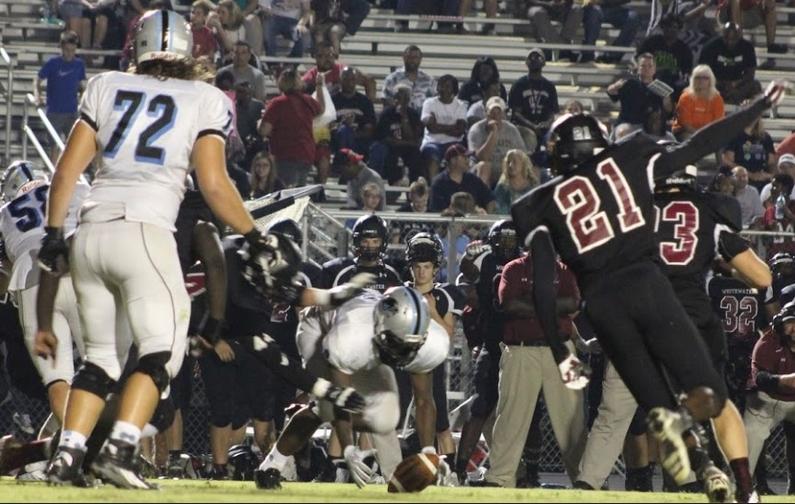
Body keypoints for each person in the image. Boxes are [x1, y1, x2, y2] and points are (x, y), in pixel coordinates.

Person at [37, 10, 281, 489]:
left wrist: (52, 233)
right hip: (145, 230)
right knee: (161, 352)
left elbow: (65, 172)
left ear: (137, 46)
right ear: (190, 49)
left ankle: (67, 455)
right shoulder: (206, 98)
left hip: (90, 231)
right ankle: (121, 449)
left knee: (102, 360)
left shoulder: (106, 85)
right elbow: (212, 183)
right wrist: (255, 235)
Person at [511, 83, 786, 501]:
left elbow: (542, 286)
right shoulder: (630, 156)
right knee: (707, 392)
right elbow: (700, 143)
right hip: (647, 285)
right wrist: (757, 107)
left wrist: (561, 351)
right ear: (600, 142)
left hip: (602, 303)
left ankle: (701, 463)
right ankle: (732, 479)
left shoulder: (534, 204)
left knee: (655, 404)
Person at [253, 286, 450, 489]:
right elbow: (341, 399)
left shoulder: (431, 343)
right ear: (381, 326)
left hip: (366, 341)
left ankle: (394, 477)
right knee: (326, 408)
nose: (404, 353)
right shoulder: (350, 337)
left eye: (411, 347)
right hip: (319, 330)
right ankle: (271, 465)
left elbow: (424, 400)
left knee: (386, 416)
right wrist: (348, 449)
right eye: (397, 343)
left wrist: (429, 453)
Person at [484, 248, 584, 488]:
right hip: (520, 349)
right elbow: (510, 305)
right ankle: (499, 478)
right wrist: (551, 305)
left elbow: (573, 303)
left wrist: (532, 304)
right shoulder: (513, 268)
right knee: (510, 418)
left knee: (575, 422)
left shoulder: (567, 270)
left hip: (564, 349)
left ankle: (586, 480)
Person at [0, 162, 88, 428]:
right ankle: (122, 447)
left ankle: (76, 448)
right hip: (79, 267)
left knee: (57, 378)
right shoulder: (77, 188)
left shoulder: (5, 213)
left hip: (31, 277)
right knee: (104, 368)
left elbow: (5, 269)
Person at [453, 220, 521, 483]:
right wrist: (466, 258)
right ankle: (459, 468)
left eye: (510, 240)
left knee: (524, 413)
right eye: (501, 240)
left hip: (520, 343)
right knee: (481, 405)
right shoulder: (485, 260)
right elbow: (467, 271)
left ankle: (525, 471)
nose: (506, 246)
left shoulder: (526, 263)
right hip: (494, 343)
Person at [745, 303, 795, 479]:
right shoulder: (768, 341)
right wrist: (783, 381)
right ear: (781, 323)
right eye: (791, 322)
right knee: (751, 433)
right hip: (769, 398)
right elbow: (760, 378)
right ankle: (745, 486)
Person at [258, 68, 325, 188]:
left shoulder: (277, 103)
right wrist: (319, 86)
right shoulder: (307, 100)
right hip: (306, 154)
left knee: (286, 193)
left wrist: (259, 123)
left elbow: (264, 130)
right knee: (299, 192)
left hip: (285, 155)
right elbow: (321, 109)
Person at [34, 30, 87, 161]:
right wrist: (37, 95)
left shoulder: (79, 64)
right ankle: (53, 173)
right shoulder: (53, 63)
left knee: (73, 145)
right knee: (54, 145)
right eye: (67, 50)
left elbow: (81, 85)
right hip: (55, 111)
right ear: (62, 48)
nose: (70, 54)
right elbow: (37, 79)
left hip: (72, 111)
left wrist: (83, 99)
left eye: (73, 50)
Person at [321, 214, 403, 292]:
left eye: (375, 242)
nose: (370, 246)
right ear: (357, 242)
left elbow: (397, 303)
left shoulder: (391, 274)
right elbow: (326, 303)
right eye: (365, 241)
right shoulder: (340, 271)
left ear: (383, 243)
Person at [369, 84, 423, 185]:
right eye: (397, 97)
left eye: (403, 98)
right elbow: (384, 138)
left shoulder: (413, 114)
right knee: (382, 152)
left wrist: (404, 118)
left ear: (408, 100)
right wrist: (406, 142)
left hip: (407, 148)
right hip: (390, 147)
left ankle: (413, 188)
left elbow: (414, 138)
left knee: (416, 156)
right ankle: (387, 185)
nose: (399, 101)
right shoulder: (387, 114)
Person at [468, 96, 527, 187]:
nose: (495, 116)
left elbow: (523, 155)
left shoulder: (511, 129)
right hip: (481, 170)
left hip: (506, 169)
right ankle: (485, 200)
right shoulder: (476, 129)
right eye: (492, 113)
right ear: (486, 113)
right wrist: (493, 133)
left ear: (503, 114)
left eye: (499, 113)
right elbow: (482, 157)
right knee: (484, 166)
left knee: (532, 169)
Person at [606, 53, 673, 133]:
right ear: (638, 68)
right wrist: (615, 86)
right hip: (628, 125)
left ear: (654, 69)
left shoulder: (661, 89)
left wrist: (667, 100)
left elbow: (669, 111)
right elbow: (611, 92)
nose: (646, 69)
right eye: (643, 66)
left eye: (650, 66)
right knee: (624, 131)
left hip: (651, 127)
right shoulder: (629, 83)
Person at [508, 49, 558, 154]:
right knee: (530, 136)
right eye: (531, 57)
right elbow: (516, 113)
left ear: (544, 63)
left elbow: (552, 113)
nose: (534, 60)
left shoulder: (549, 86)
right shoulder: (519, 85)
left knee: (555, 139)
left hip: (543, 128)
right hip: (522, 126)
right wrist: (532, 126)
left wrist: (547, 123)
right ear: (526, 62)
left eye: (538, 57)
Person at [699, 22, 761, 105]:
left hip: (737, 85)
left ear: (739, 37)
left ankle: (751, 111)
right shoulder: (710, 47)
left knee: (755, 85)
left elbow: (750, 73)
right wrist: (719, 84)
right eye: (726, 38)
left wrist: (735, 84)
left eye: (734, 39)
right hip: (715, 85)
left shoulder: (747, 47)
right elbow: (703, 71)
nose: (730, 42)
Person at [420, 75, 468, 182]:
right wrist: (452, 127)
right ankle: (434, 188)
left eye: (447, 86)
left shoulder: (460, 106)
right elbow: (431, 128)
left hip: (454, 143)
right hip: (432, 142)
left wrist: (438, 126)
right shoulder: (429, 103)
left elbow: (459, 132)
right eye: (441, 86)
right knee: (433, 156)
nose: (443, 89)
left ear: (454, 90)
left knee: (459, 158)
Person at [429, 144, 495, 214]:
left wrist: (487, 216)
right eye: (464, 157)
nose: (468, 160)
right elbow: (437, 211)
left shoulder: (473, 179)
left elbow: (490, 199)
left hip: (474, 223)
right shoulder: (439, 183)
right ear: (453, 160)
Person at [636, 14, 693, 94]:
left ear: (679, 29)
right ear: (663, 28)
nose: (671, 30)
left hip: (673, 80)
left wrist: (686, 75)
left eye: (674, 27)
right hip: (652, 78)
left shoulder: (683, 48)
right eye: (668, 27)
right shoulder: (652, 42)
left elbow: (687, 69)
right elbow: (638, 58)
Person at [331, 67, 377, 161]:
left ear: (356, 81)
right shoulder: (332, 100)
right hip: (337, 140)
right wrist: (343, 124)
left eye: (352, 79)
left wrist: (351, 134)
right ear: (340, 80)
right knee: (344, 130)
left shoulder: (365, 102)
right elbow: (328, 126)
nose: (349, 83)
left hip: (358, 140)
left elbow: (369, 129)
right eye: (345, 79)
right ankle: (344, 162)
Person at [723, 115, 777, 193]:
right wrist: (750, 175)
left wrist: (770, 176)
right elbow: (728, 162)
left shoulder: (765, 137)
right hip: (740, 182)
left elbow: (771, 163)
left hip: (762, 180)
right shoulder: (734, 136)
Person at [672, 65, 725, 141]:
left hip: (709, 133)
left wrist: (709, 136)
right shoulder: (686, 97)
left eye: (705, 78)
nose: (701, 80)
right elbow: (686, 125)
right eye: (698, 77)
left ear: (711, 80)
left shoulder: (717, 98)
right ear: (693, 79)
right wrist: (701, 136)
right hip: (685, 132)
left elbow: (719, 122)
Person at [382, 45, 436, 112]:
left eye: (415, 57)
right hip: (399, 116)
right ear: (404, 58)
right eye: (409, 57)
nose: (412, 60)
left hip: (422, 118)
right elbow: (386, 100)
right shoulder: (392, 78)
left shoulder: (429, 80)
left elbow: (435, 101)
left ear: (420, 59)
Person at [493, 150, 538, 214]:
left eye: (514, 162)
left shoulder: (533, 185)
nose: (510, 165)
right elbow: (498, 209)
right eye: (508, 162)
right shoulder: (503, 186)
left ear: (523, 164)